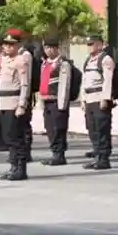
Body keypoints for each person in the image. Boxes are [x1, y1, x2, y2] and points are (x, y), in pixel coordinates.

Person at [0, 30, 32, 181]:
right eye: (5, 44)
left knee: (17, 138)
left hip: (14, 102)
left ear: (17, 45)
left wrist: (22, 105)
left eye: (11, 44)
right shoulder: (4, 61)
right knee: (8, 137)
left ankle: (21, 168)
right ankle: (13, 166)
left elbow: (25, 85)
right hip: (3, 102)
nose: (7, 47)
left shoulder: (20, 61)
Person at [80, 35, 116, 171]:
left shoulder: (105, 59)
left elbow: (108, 80)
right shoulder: (88, 60)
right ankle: (97, 155)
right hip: (89, 98)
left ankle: (103, 158)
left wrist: (105, 98)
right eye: (88, 44)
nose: (90, 46)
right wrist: (83, 99)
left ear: (100, 45)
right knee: (92, 129)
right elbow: (85, 81)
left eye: (92, 44)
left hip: (99, 97)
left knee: (102, 129)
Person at [38, 37, 73, 167]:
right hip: (46, 101)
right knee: (49, 128)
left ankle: (59, 154)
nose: (48, 50)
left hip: (56, 101)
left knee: (58, 128)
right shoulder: (45, 63)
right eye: (46, 48)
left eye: (51, 48)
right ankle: (54, 152)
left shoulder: (63, 64)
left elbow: (64, 84)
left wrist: (62, 105)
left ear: (56, 48)